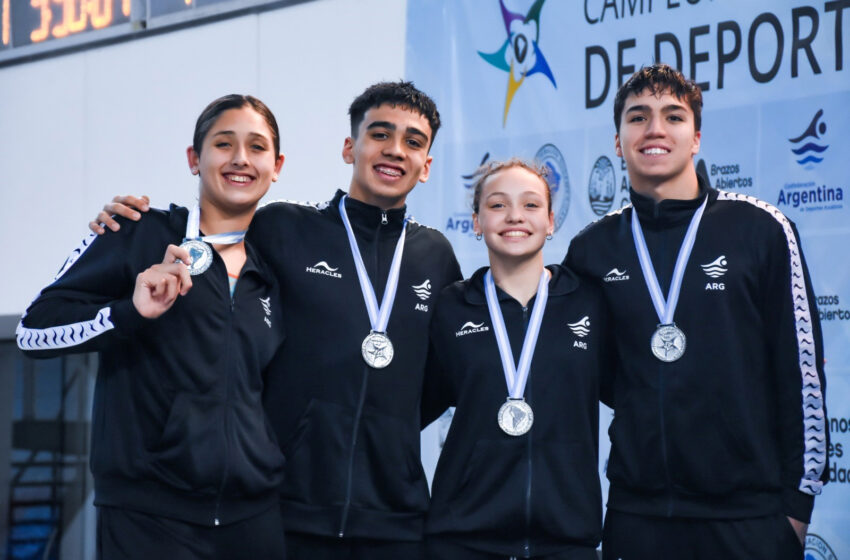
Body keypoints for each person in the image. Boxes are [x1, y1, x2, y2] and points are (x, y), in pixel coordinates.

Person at [88, 81, 462, 559]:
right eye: (380, 134)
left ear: (426, 165)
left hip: (395, 518)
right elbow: (212, 229)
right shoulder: (283, 228)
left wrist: (389, 422)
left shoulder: (436, 257)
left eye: (413, 142)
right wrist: (128, 222)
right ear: (350, 148)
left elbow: (445, 374)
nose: (394, 150)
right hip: (282, 510)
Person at [564, 63, 828, 560]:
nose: (655, 129)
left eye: (673, 116)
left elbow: (803, 377)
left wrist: (796, 508)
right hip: (636, 517)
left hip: (746, 519)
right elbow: (594, 375)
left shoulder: (761, 229)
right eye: (638, 117)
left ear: (697, 137)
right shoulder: (593, 249)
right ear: (618, 142)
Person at [17, 95, 288, 559]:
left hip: (253, 519)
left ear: (276, 165)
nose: (241, 158)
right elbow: (32, 330)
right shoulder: (138, 232)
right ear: (194, 158)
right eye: (224, 143)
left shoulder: (275, 268)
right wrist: (129, 312)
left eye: (257, 147)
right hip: (149, 516)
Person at [422, 159, 608, 560]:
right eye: (497, 205)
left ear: (551, 220)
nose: (514, 217)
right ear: (475, 222)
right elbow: (410, 404)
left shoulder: (590, 302)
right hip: (463, 539)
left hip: (565, 542)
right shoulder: (452, 308)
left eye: (530, 205)